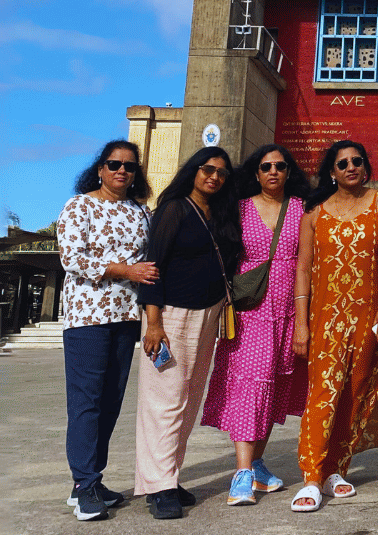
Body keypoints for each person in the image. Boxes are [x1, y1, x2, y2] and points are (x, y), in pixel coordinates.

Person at [290, 139, 378, 513]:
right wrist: (301, 324)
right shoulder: (314, 213)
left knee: (356, 392)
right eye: (343, 163)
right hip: (324, 319)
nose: (351, 167)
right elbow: (304, 269)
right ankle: (311, 475)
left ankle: (336, 469)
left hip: (371, 317)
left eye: (358, 160)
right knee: (322, 393)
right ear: (332, 172)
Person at [135, 147, 241, 520]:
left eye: (222, 173)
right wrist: (154, 323)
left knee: (188, 400)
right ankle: (159, 486)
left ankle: (167, 476)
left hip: (209, 315)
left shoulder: (220, 212)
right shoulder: (175, 208)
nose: (214, 177)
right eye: (207, 169)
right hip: (172, 316)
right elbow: (153, 265)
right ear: (193, 171)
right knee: (164, 401)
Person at [201, 144, 310, 505]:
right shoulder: (239, 208)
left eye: (280, 166)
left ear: (289, 171)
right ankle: (243, 473)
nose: (273, 172)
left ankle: (257, 465)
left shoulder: (301, 209)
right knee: (251, 387)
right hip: (250, 312)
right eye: (266, 166)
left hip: (289, 312)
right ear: (256, 172)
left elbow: (308, 262)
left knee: (276, 388)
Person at [57, 141, 154, 521]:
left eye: (129, 167)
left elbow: (150, 261)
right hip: (87, 318)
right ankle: (83, 484)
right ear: (100, 169)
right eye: (114, 164)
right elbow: (72, 257)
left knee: (111, 402)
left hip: (126, 318)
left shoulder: (140, 213)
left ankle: (90, 480)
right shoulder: (78, 206)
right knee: (86, 402)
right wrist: (125, 271)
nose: (122, 171)